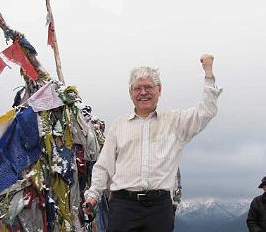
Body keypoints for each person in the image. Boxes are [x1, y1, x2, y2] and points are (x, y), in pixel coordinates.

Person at [83, 54, 222, 232]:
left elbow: (206, 112)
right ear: (130, 93)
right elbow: (104, 166)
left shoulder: (175, 122)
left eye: (148, 87)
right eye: (137, 88)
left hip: (159, 208)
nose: (143, 93)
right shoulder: (119, 125)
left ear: (159, 90)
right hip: (123, 207)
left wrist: (208, 74)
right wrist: (93, 195)